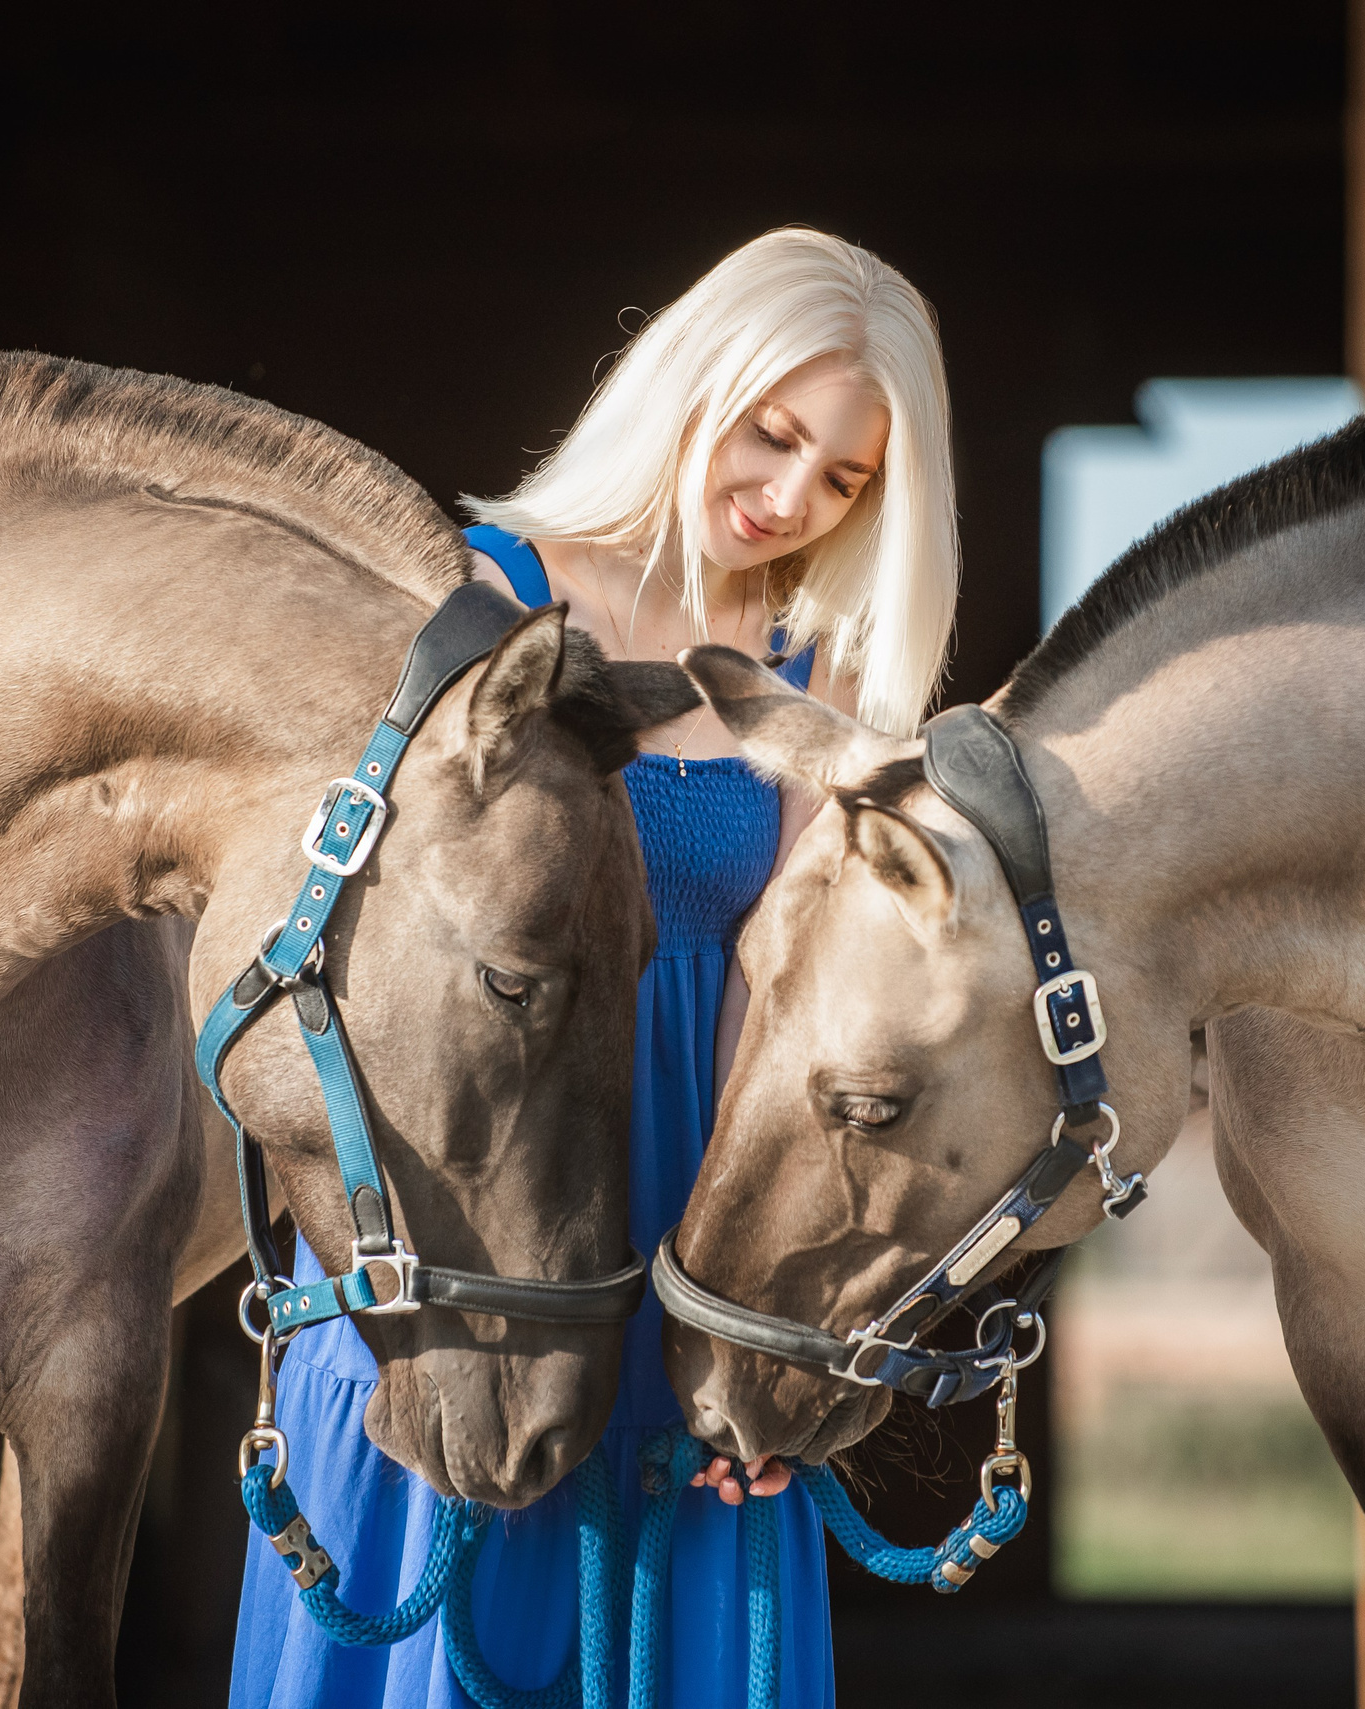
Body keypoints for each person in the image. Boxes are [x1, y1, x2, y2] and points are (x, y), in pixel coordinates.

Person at [230, 226, 960, 1709]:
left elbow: (789, 995)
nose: (789, 497)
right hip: (479, 1192)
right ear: (696, 379)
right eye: (775, 434)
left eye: (844, 478)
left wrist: (755, 1312)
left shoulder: (810, 678)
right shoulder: (470, 598)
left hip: (689, 1195)